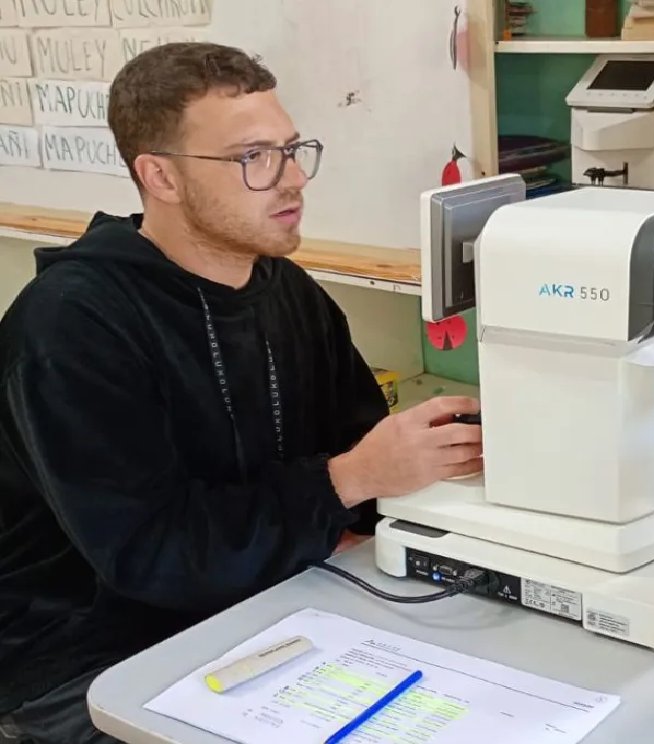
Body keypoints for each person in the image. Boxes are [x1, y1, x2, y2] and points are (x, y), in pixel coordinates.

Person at [0, 42, 482, 743]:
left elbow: (357, 454)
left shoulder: (286, 291)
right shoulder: (70, 326)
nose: (292, 180)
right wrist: (350, 479)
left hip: (260, 601)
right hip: (85, 656)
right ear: (159, 176)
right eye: (253, 158)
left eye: (292, 149)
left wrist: (450, 455)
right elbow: (151, 554)